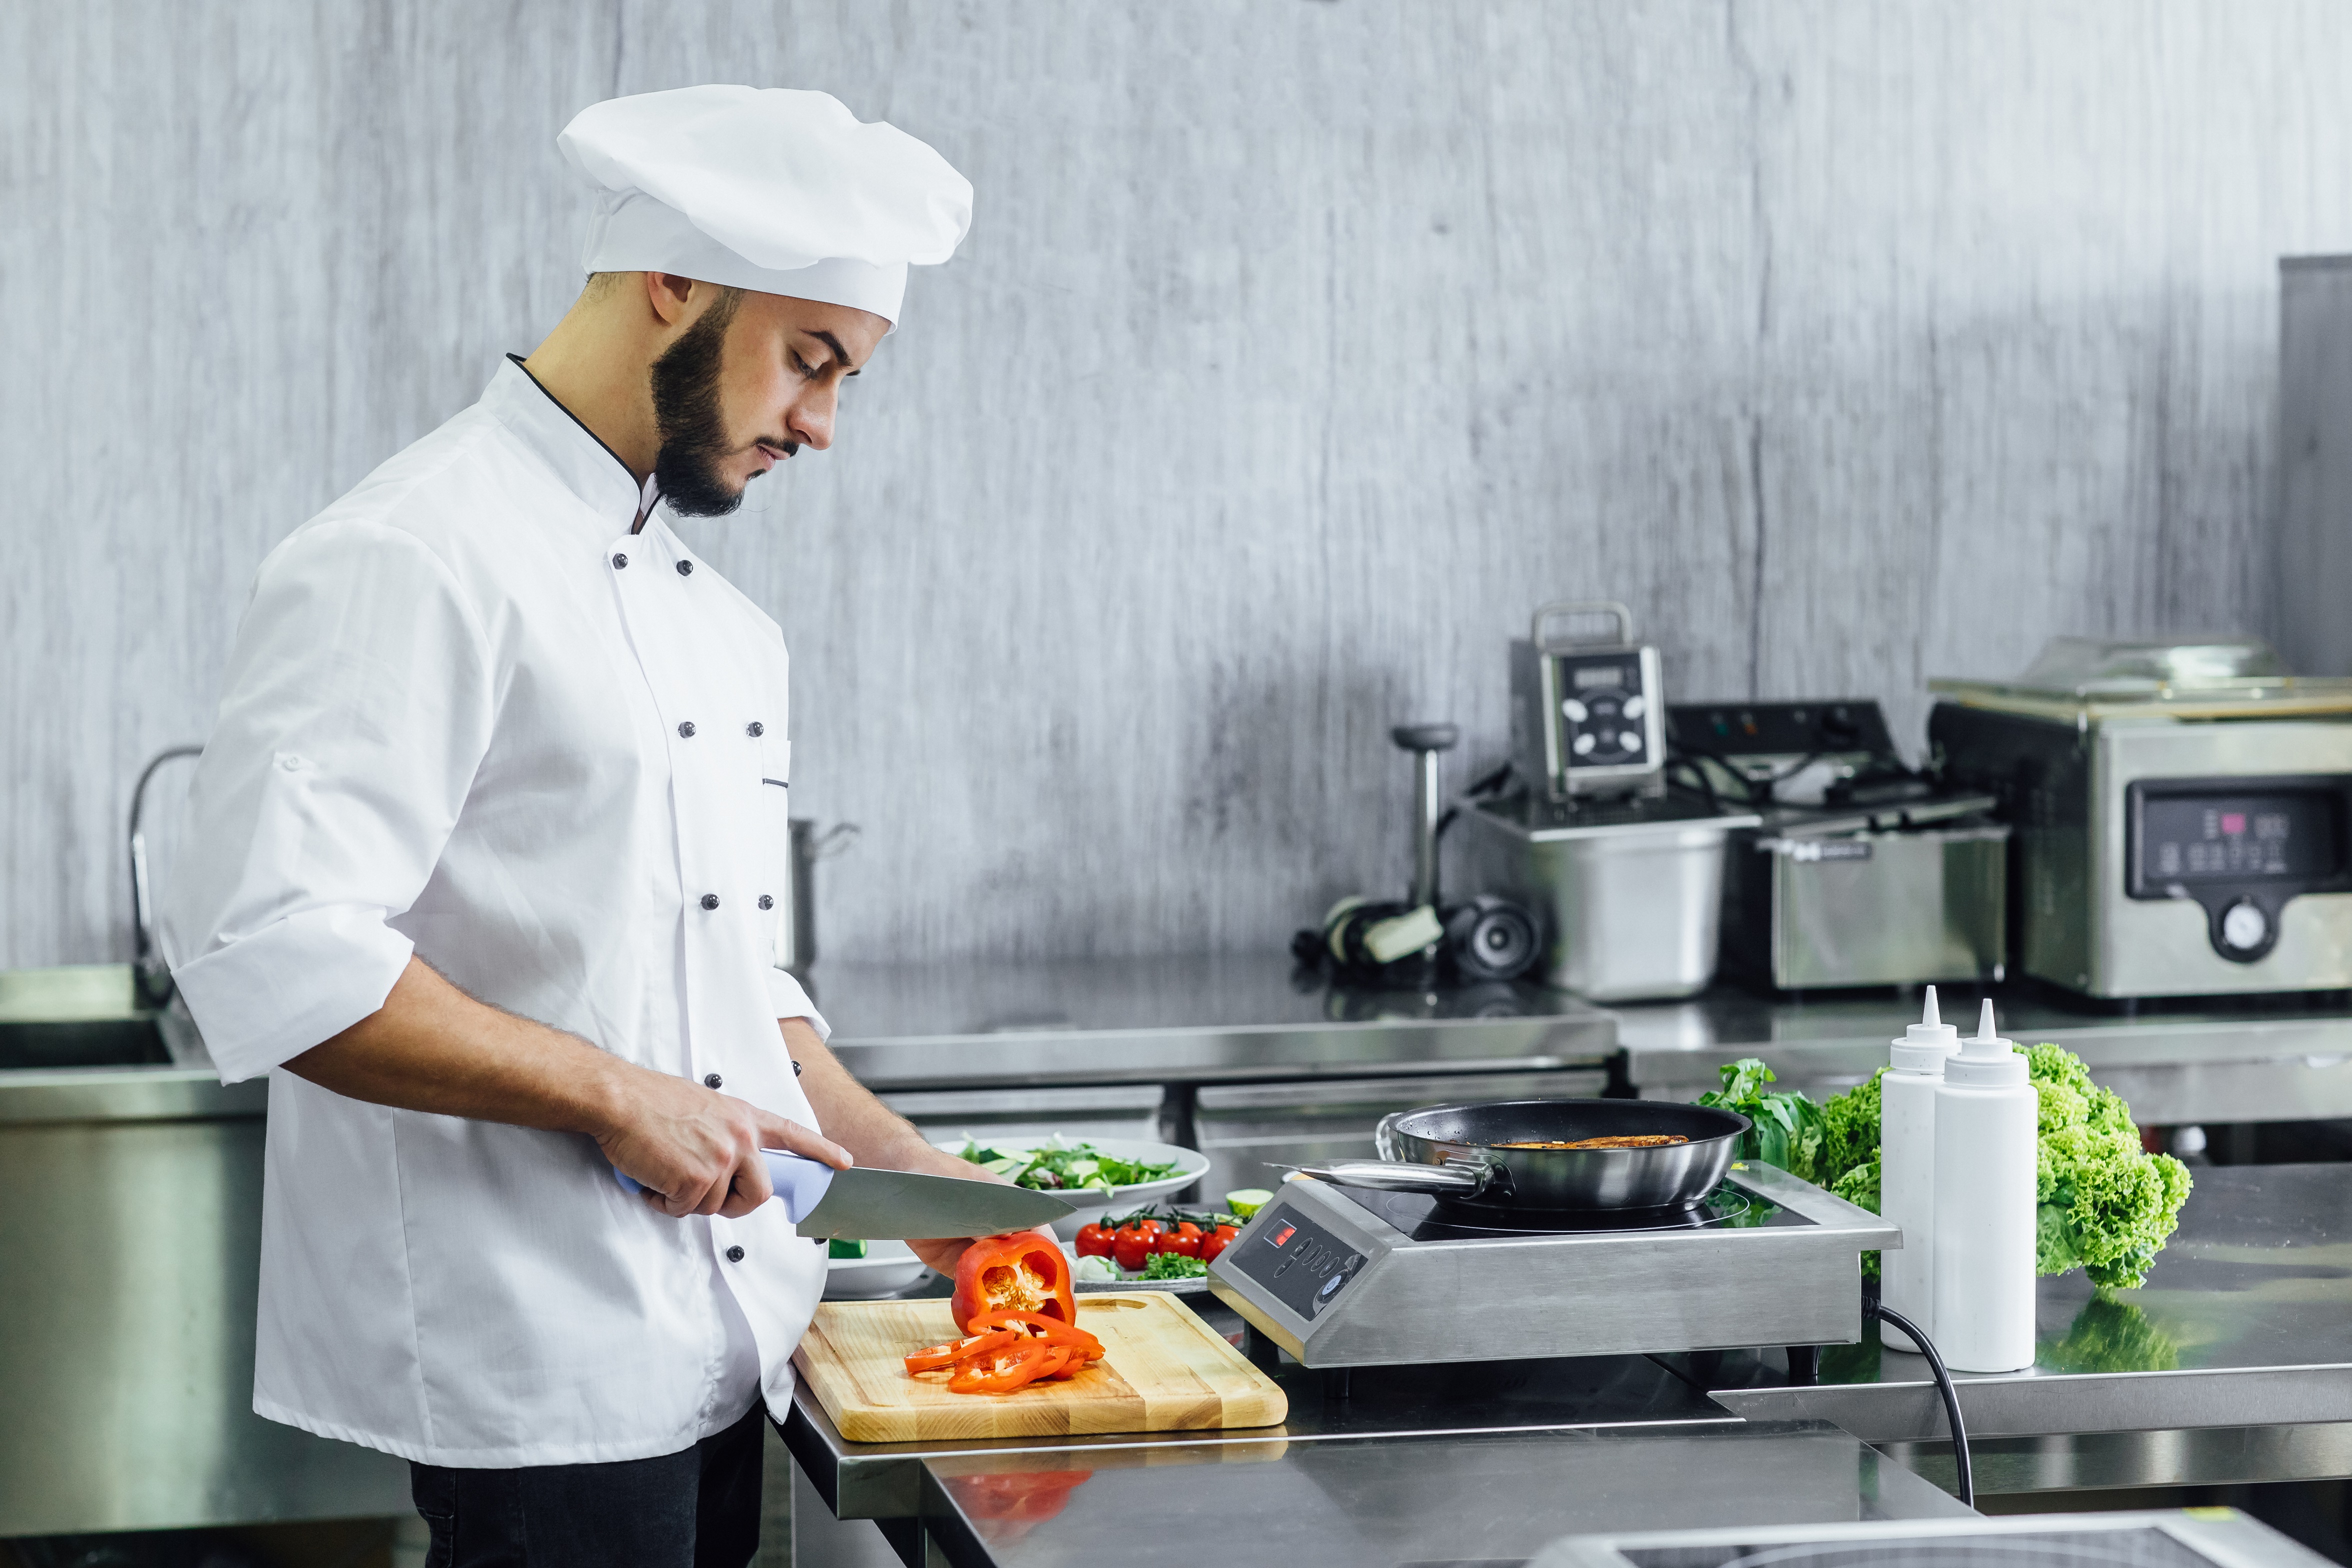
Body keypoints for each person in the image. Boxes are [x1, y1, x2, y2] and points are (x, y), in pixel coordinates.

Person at [164, 86, 978, 1567]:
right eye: (810, 362)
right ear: (673, 284)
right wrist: (615, 1097)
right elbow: (278, 955)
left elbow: (734, 981)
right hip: (533, 1374)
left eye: (847, 376)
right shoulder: (409, 556)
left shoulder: (724, 628)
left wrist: (917, 1184)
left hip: (729, 1344)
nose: (824, 425)